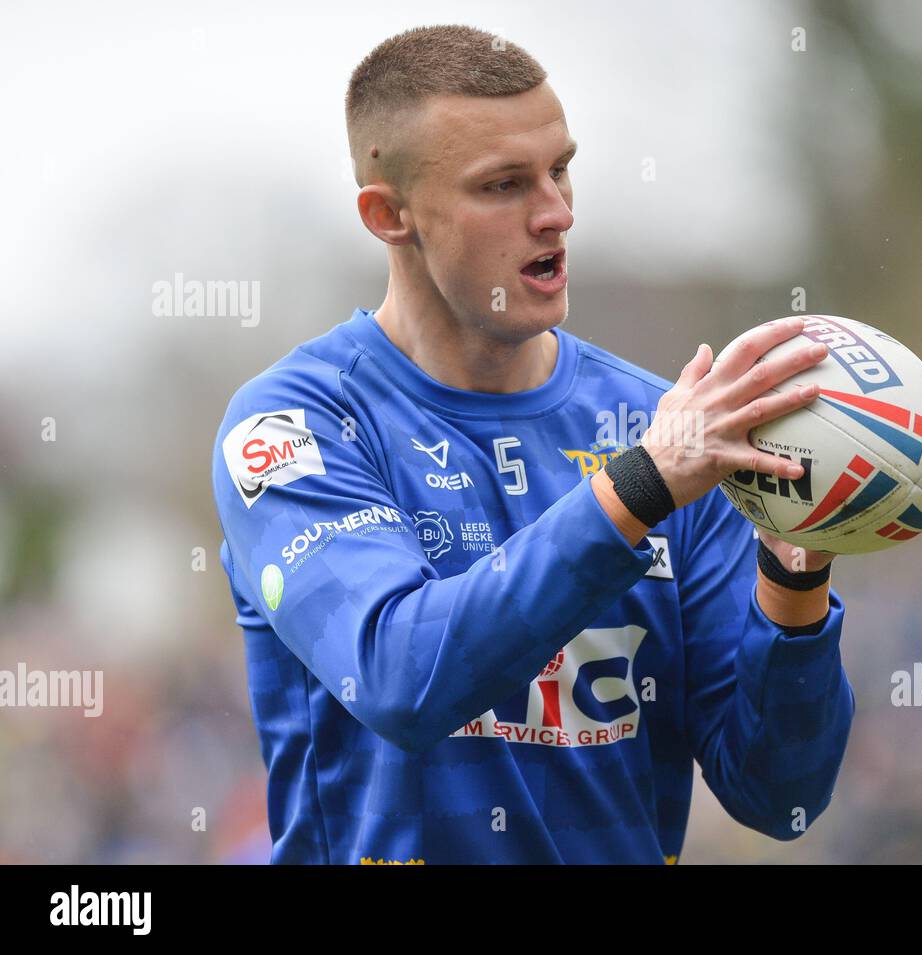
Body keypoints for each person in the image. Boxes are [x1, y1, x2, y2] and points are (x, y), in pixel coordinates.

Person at [211, 24, 855, 864]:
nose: (556, 213)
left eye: (560, 169)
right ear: (389, 215)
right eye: (504, 184)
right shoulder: (293, 427)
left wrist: (794, 580)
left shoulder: (667, 429)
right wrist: (639, 488)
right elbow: (402, 677)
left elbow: (781, 797)